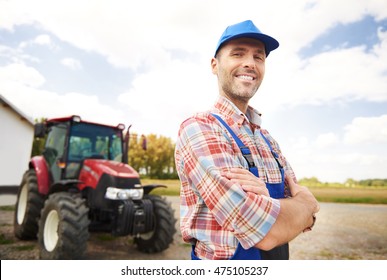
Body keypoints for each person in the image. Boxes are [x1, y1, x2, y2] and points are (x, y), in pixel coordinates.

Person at [174, 20, 320, 260]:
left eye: (258, 57)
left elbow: (306, 221)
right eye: (238, 53)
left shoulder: (268, 141)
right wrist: (303, 205)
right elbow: (267, 231)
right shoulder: (200, 129)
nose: (249, 63)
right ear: (214, 65)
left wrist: (271, 202)